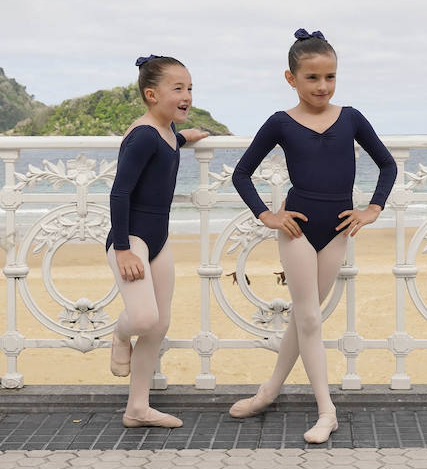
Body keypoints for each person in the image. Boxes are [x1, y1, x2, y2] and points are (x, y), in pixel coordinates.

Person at [226, 29, 398, 444]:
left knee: (306, 318)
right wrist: (267, 214)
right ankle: (327, 410)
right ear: (291, 78)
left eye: (330, 77)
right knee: (308, 317)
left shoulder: (352, 118)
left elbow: (387, 166)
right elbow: (241, 173)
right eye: (313, 78)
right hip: (297, 228)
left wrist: (373, 208)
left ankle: (269, 390)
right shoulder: (280, 123)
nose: (323, 86)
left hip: (337, 229)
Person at [105, 55, 210, 428]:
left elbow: (168, 146)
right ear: (152, 94)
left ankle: (137, 408)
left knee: (160, 324)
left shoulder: (164, 132)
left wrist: (186, 136)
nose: (187, 95)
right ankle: (118, 335)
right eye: (178, 88)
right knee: (144, 318)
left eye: (190, 88)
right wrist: (122, 249)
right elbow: (120, 193)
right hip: (131, 238)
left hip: (158, 240)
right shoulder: (143, 134)